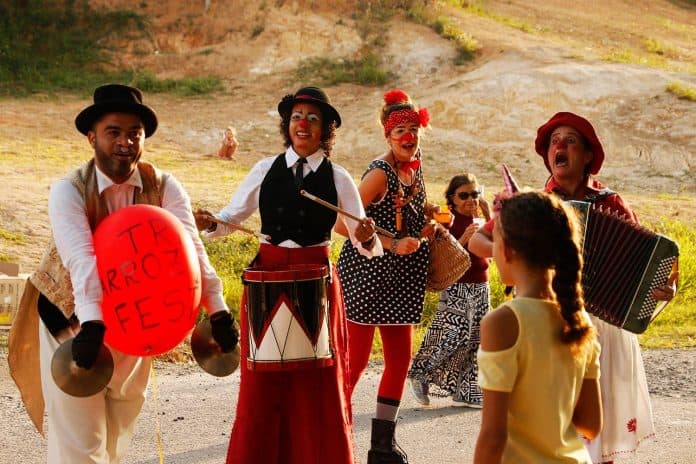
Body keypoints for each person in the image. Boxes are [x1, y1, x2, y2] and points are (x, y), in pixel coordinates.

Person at [7, 84, 239, 464]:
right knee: (80, 446)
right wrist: (92, 324)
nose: (125, 142)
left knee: (117, 436)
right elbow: (81, 259)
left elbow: (192, 247)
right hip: (73, 322)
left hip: (136, 322)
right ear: (92, 137)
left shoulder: (164, 186)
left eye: (134, 133)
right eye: (113, 132)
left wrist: (218, 310)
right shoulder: (68, 190)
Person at [469, 112, 678, 463]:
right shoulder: (536, 206)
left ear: (588, 156)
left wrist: (657, 288)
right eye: (554, 142)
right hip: (550, 312)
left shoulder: (611, 203)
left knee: (601, 424)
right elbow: (477, 240)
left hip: (603, 325)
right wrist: (517, 255)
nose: (560, 147)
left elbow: (644, 261)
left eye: (570, 141)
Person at [194, 86, 382, 464]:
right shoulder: (264, 170)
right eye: (297, 117)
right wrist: (210, 223)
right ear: (287, 125)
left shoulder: (339, 177)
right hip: (268, 277)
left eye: (313, 118)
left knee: (318, 383)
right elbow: (230, 218)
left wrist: (366, 235)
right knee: (263, 385)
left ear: (325, 130)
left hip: (318, 284)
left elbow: (364, 241)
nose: (303, 124)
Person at [335, 88, 437, 464]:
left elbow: (407, 213)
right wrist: (392, 244)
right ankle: (331, 437)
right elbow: (341, 224)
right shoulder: (379, 174)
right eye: (400, 131)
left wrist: (428, 220)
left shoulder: (415, 165)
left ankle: (381, 447)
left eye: (413, 129)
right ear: (387, 135)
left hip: (402, 279)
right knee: (355, 363)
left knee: (399, 361)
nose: (408, 137)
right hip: (367, 275)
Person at [473, 191, 602, 463]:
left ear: (507, 250)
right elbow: (591, 424)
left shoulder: (503, 322)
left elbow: (493, 437)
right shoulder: (579, 319)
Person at [407, 173, 491, 408]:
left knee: (477, 339)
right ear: (452, 198)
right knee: (452, 334)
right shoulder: (447, 220)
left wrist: (488, 215)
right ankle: (420, 374)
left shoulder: (480, 218)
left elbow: (496, 243)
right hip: (457, 285)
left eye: (475, 194)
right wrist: (463, 238)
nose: (470, 199)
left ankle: (467, 392)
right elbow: (442, 255)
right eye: (463, 195)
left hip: (481, 284)